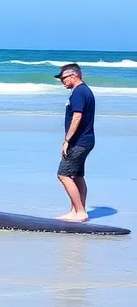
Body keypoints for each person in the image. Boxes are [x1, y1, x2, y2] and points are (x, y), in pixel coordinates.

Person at [54, 63, 96, 222]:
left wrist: (66, 141)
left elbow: (77, 117)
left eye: (63, 78)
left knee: (63, 175)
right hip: (85, 140)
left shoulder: (79, 93)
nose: (62, 81)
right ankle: (76, 211)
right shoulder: (85, 90)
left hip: (79, 141)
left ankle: (80, 212)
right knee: (76, 175)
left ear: (73, 76)